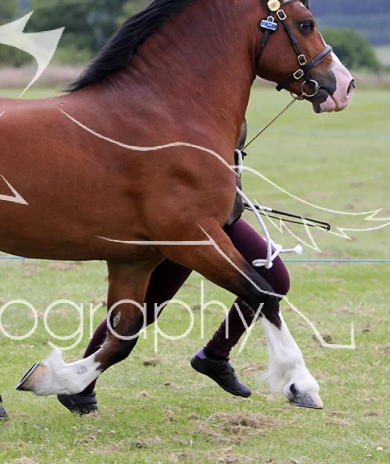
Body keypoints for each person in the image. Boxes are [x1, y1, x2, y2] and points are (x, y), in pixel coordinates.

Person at [57, 121, 291, 415]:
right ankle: (81, 385)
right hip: (184, 219)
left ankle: (215, 355)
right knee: (146, 308)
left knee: (274, 280)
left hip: (214, 214)